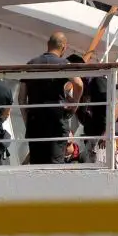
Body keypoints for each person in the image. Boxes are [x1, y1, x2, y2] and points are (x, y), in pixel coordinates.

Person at [18, 32, 83, 164]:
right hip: (56, 121)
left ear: (48, 44)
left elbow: (21, 98)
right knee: (55, 163)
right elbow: (79, 83)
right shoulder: (64, 63)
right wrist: (74, 105)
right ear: (64, 48)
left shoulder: (30, 64)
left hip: (35, 121)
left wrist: (27, 121)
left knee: (36, 163)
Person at [67, 54, 118, 165]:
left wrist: (107, 133)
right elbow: (84, 118)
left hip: (102, 140)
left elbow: (116, 105)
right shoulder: (82, 88)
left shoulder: (97, 81)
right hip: (91, 139)